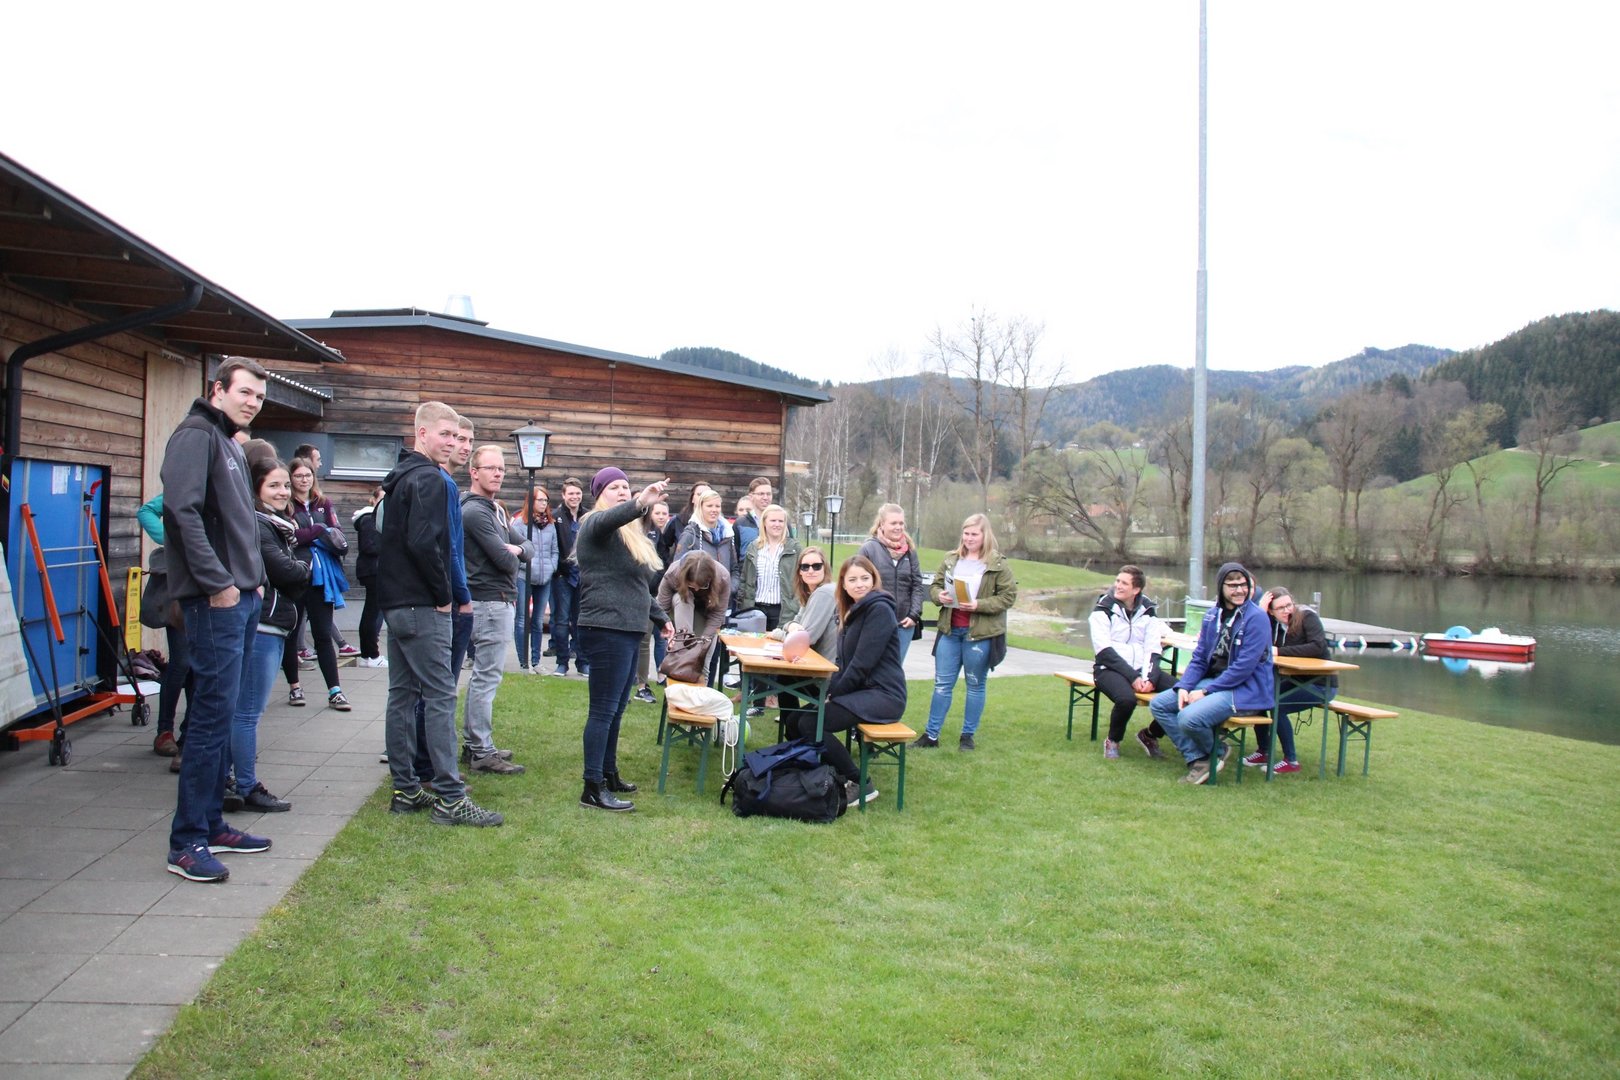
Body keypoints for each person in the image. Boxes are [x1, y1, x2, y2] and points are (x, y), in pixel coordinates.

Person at [159, 357, 273, 883]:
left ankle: (211, 823)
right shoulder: (195, 435)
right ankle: (186, 842)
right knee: (208, 720)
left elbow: (238, 521)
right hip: (215, 602)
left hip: (242, 597)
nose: (252, 402)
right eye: (245, 392)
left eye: (259, 396)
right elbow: (180, 513)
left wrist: (253, 580)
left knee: (224, 714)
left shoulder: (228, 441)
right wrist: (218, 583)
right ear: (218, 389)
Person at [378, 401, 503, 827]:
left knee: (402, 695)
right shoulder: (430, 478)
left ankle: (406, 789)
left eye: (456, 435)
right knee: (439, 696)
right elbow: (425, 543)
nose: (451, 442)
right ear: (422, 433)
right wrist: (444, 594)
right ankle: (450, 797)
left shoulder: (401, 476)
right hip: (421, 605)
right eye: (444, 434)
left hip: (397, 605)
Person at [574, 467, 671, 812]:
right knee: (603, 709)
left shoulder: (629, 535)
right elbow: (608, 519)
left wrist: (661, 618)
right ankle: (592, 787)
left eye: (625, 486)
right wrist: (641, 501)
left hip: (628, 628)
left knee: (616, 708)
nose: (621, 491)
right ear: (599, 494)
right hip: (605, 628)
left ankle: (608, 773)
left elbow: (637, 587)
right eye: (613, 487)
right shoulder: (594, 524)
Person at [792, 554, 905, 807]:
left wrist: (832, 693)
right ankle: (818, 775)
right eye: (852, 580)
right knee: (795, 719)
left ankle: (860, 782)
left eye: (864, 578)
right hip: (861, 692)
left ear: (874, 579)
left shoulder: (879, 610)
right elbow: (843, 664)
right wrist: (824, 684)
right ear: (843, 584)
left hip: (884, 696)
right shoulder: (851, 611)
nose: (859, 584)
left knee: (811, 723)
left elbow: (861, 666)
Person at [1147, 562, 1275, 784]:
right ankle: (1201, 757)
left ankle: (1211, 754)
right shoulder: (1212, 615)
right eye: (1232, 585)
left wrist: (1206, 692)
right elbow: (1199, 658)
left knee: (1188, 718)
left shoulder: (1257, 618)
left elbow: (1243, 667)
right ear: (1221, 587)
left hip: (1244, 690)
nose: (1239, 590)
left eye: (1243, 585)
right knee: (1160, 704)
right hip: (1214, 683)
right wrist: (1185, 686)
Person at [229, 455, 309, 813]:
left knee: (244, 710)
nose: (283, 492)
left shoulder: (278, 524)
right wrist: (303, 567)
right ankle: (245, 785)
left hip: (274, 624)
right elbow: (286, 571)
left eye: (286, 485)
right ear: (256, 487)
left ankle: (229, 779)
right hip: (262, 625)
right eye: (274, 485)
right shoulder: (260, 526)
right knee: (247, 712)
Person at [918, 513, 1018, 751]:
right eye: (966, 533)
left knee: (975, 684)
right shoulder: (951, 559)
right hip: (950, 630)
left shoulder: (997, 563)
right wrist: (939, 596)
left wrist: (978, 605)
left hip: (979, 634)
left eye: (974, 534)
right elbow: (935, 586)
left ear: (985, 535)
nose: (969, 538)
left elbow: (1008, 597)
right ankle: (931, 736)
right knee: (942, 684)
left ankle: (967, 736)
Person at [459, 445, 531, 773]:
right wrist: (515, 553)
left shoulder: (495, 509)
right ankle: (481, 751)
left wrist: (517, 549)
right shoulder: (475, 512)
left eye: (501, 468)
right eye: (490, 468)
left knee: (484, 676)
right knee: (486, 677)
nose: (498, 473)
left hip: (497, 599)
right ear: (474, 472)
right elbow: (505, 561)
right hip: (488, 601)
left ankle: (474, 744)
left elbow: (526, 547)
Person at [282, 456, 350, 712]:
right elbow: (291, 537)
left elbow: (337, 534)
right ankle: (294, 687)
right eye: (298, 476)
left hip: (322, 579)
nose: (304, 480)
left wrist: (317, 532)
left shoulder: (323, 503)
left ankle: (335, 691)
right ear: (291, 479)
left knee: (322, 634)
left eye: (308, 475)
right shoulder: (287, 505)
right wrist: (319, 530)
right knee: (291, 633)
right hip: (294, 576)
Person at [1089, 565, 1176, 760]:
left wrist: (1149, 678)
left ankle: (1150, 734)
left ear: (1136, 589)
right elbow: (1104, 651)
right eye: (1117, 581)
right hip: (1108, 669)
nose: (1118, 586)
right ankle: (1113, 740)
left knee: (1181, 693)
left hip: (1142, 669)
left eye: (1124, 583)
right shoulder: (1103, 609)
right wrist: (1134, 677)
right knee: (1126, 700)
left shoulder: (1148, 610)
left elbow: (1153, 648)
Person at [1244, 586, 1333, 775]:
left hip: (1320, 684)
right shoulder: (1272, 623)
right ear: (1271, 611)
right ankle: (1264, 751)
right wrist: (1261, 613)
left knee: (1277, 705)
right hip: (1294, 680)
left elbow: (1317, 647)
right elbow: (1253, 638)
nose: (1287, 611)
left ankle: (1291, 761)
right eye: (1280, 608)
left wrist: (1279, 651)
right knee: (1260, 696)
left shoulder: (1307, 617)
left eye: (1289, 605)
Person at [137, 491, 188, 760]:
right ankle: (164, 731)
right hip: (180, 585)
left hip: (217, 584)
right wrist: (169, 539)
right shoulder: (185, 485)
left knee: (204, 666)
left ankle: (190, 732)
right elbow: (146, 511)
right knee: (182, 661)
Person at [857, 503, 924, 661]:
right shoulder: (868, 549)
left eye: (901, 523)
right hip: (876, 621)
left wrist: (914, 614)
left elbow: (917, 584)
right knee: (873, 667)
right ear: (882, 524)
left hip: (903, 624)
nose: (898, 527)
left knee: (894, 669)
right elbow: (859, 585)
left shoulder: (910, 551)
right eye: (893, 523)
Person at [512, 485, 557, 673]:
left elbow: (554, 550)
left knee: (538, 621)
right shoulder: (519, 524)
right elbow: (514, 551)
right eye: (540, 500)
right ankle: (524, 662)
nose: (543, 503)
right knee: (522, 619)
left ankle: (536, 661)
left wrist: (551, 567)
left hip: (544, 578)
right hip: (524, 576)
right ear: (530, 501)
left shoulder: (550, 525)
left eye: (546, 500)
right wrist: (524, 566)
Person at [632, 499, 674, 703]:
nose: (660, 517)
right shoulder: (639, 532)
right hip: (644, 594)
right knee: (643, 642)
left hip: (661, 595)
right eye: (657, 513)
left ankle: (661, 675)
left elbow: (664, 563)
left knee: (662, 639)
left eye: (664, 513)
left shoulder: (661, 535)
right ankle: (641, 685)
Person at [736, 504, 801, 631]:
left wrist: (795, 605)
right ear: (764, 523)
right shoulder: (753, 547)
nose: (777, 524)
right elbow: (744, 579)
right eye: (773, 520)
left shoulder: (794, 549)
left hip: (783, 611)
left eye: (781, 521)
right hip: (756, 609)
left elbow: (802, 582)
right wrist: (743, 605)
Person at [550, 477, 585, 677]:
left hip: (583, 576)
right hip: (563, 576)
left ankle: (583, 662)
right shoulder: (555, 517)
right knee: (562, 621)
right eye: (571, 493)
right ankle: (562, 662)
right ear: (563, 495)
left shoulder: (587, 516)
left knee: (581, 621)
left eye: (577, 493)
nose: (574, 497)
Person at [656, 551, 732, 642]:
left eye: (703, 586)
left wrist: (705, 640)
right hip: (680, 609)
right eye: (691, 585)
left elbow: (717, 614)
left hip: (707, 610)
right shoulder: (672, 574)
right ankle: (683, 639)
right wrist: (668, 632)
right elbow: (662, 608)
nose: (696, 589)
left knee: (704, 644)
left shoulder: (723, 578)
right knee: (680, 597)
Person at [675, 486, 739, 586]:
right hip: (699, 592)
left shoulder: (727, 534)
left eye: (717, 506)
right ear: (701, 507)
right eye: (709, 506)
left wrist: (731, 588)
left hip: (724, 593)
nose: (714, 510)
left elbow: (734, 569)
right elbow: (678, 568)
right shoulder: (690, 535)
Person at [351, 486, 385, 666]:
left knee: (373, 612)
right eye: (382, 498)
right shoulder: (369, 518)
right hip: (374, 570)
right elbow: (369, 546)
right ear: (374, 499)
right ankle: (371, 655)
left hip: (375, 570)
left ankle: (369, 654)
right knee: (373, 613)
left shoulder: (373, 517)